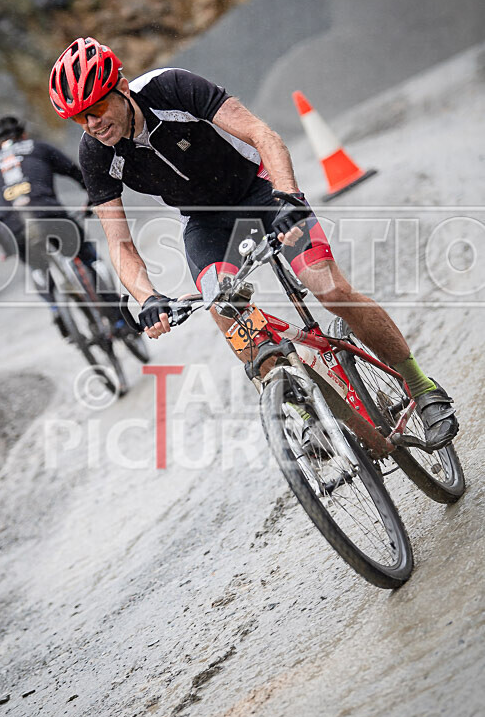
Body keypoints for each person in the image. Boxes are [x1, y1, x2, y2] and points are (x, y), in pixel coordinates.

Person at [48, 37, 458, 450]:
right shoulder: (96, 155)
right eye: (79, 119)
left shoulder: (170, 88)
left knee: (329, 288)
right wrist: (148, 297)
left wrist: (289, 199)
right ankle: (305, 414)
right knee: (228, 312)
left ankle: (421, 387)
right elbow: (119, 243)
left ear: (120, 86)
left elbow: (263, 135)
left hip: (261, 192)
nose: (91, 124)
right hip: (207, 225)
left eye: (96, 109)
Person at [0, 113, 126, 337]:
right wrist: (94, 197)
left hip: (15, 230)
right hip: (51, 217)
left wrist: (5, 246)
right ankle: (119, 320)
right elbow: (77, 172)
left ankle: (55, 308)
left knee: (38, 267)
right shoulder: (38, 147)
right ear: (23, 134)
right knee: (85, 256)